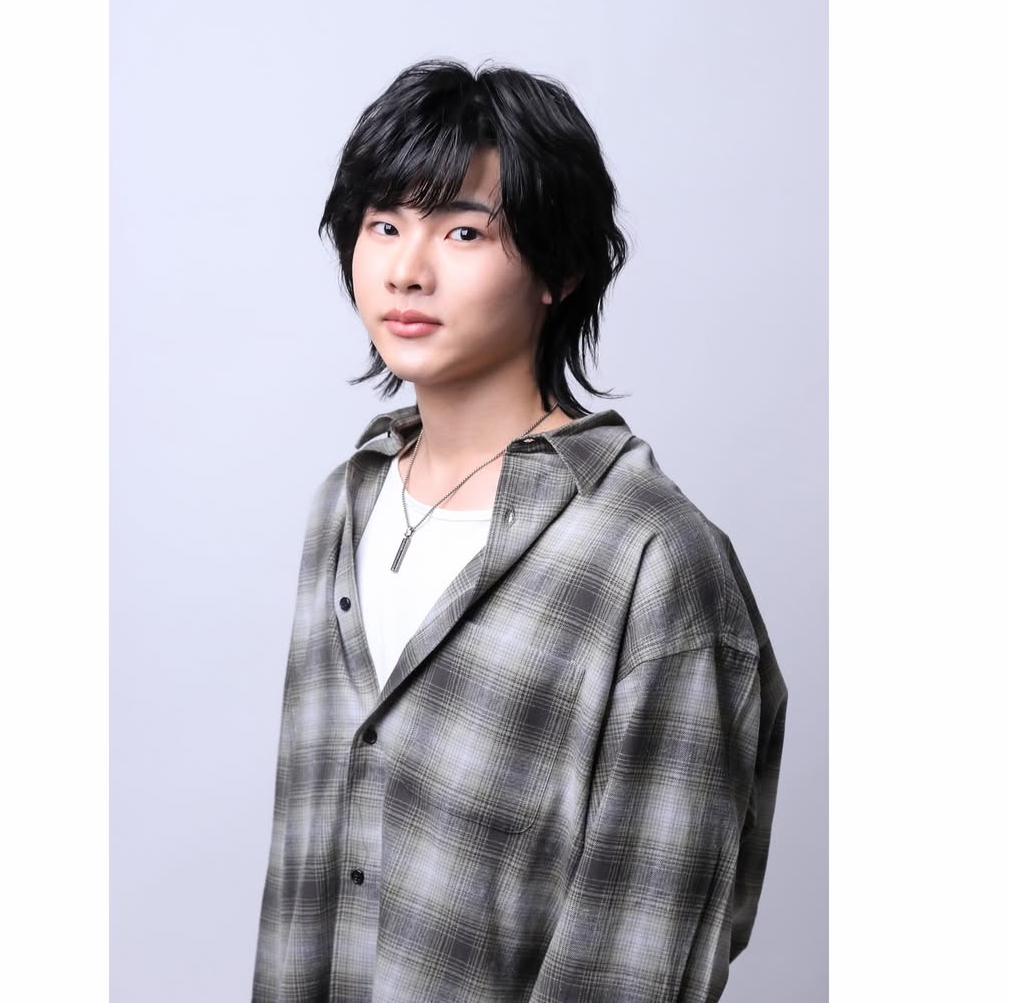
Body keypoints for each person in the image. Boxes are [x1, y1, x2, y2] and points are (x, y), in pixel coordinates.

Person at [252, 57, 787, 1003]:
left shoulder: (652, 560)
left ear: (559, 270)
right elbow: (303, 882)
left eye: (463, 231)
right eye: (384, 225)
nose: (407, 269)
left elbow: (641, 950)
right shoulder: (343, 504)